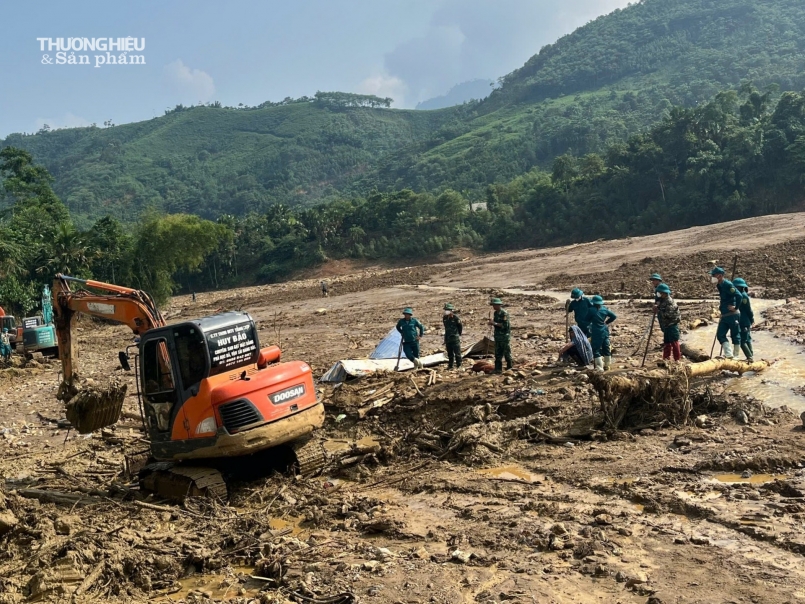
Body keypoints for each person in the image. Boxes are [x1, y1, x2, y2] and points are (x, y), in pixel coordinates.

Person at [710, 267, 742, 359]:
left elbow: (739, 295)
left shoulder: (728, 284)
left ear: (719, 276)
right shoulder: (719, 285)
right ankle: (729, 354)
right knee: (720, 335)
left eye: (713, 275)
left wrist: (736, 308)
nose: (712, 277)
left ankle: (736, 356)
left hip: (732, 315)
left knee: (735, 335)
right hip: (724, 314)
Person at [586, 295, 617, 371]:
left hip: (596, 331)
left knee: (596, 349)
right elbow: (614, 316)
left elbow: (586, 319)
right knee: (606, 347)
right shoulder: (604, 309)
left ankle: (599, 367)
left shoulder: (591, 310)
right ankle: (607, 366)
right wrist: (606, 322)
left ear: (593, 303)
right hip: (605, 331)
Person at [655, 283, 681, 362]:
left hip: (672, 325)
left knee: (674, 342)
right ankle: (666, 359)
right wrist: (658, 307)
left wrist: (658, 310)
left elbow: (668, 315)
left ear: (663, 293)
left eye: (659, 292)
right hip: (667, 325)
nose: (658, 294)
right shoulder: (663, 300)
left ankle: (677, 360)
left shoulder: (669, 302)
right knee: (667, 342)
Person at [732, 278, 754, 362]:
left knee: (742, 341)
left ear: (742, 288)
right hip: (739, 320)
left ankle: (750, 357)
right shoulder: (736, 295)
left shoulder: (743, 296)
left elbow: (748, 310)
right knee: (746, 339)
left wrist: (751, 319)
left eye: (738, 287)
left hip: (744, 321)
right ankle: (751, 356)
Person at [488, 297, 512, 373]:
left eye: (494, 305)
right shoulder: (495, 313)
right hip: (497, 336)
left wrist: (494, 323)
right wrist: (492, 323)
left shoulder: (504, 313)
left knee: (507, 353)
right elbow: (496, 324)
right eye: (493, 305)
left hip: (504, 337)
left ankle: (509, 368)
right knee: (497, 353)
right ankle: (498, 369)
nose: (493, 307)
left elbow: (505, 326)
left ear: (499, 305)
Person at [442, 303, 463, 370]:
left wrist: (458, 334)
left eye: (448, 310)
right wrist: (445, 338)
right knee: (450, 353)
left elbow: (460, 327)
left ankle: (459, 365)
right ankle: (450, 365)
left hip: (455, 338)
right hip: (448, 338)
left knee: (457, 353)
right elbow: (446, 328)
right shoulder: (445, 318)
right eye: (445, 310)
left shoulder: (456, 318)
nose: (446, 311)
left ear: (451, 310)